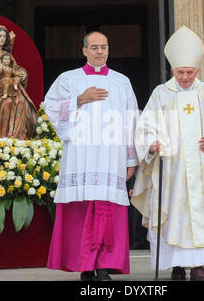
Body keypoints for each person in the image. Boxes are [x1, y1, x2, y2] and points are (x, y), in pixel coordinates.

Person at [131, 26, 204, 281]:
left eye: (189, 73)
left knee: (200, 211)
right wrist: (152, 143)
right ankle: (176, 265)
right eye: (180, 72)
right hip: (171, 169)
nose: (185, 77)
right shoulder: (161, 94)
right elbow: (144, 126)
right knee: (173, 215)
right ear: (172, 70)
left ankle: (199, 266)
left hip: (202, 167)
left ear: (198, 71)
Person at [44, 31, 139, 281]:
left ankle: (104, 266)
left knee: (107, 209)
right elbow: (50, 106)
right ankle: (85, 266)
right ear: (84, 50)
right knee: (82, 209)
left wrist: (130, 159)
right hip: (80, 155)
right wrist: (79, 100)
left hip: (111, 156)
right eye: (94, 47)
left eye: (104, 47)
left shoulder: (122, 82)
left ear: (109, 50)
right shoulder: (68, 79)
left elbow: (131, 120)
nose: (99, 51)